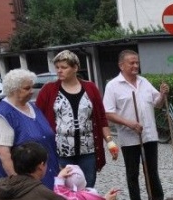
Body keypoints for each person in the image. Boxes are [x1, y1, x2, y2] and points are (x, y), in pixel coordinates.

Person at [36, 50, 118, 188]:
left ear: (75, 68)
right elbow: (38, 119)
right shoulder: (49, 90)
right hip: (61, 151)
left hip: (88, 150)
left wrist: (110, 143)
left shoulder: (90, 88)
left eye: (64, 67)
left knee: (87, 187)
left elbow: (101, 118)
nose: (59, 71)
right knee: (64, 189)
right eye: (57, 67)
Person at [102, 50, 170, 200]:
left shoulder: (144, 81)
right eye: (131, 63)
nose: (135, 65)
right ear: (121, 65)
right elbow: (108, 113)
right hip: (129, 138)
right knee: (133, 172)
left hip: (149, 135)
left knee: (152, 171)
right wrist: (129, 123)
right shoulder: (113, 86)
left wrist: (162, 95)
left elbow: (157, 104)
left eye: (137, 62)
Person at [0, 69, 60, 192]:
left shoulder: (33, 107)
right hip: (24, 184)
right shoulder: (3, 115)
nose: (32, 91)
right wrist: (19, 184)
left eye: (32, 87)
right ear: (13, 90)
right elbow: (3, 154)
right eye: (27, 88)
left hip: (46, 174)